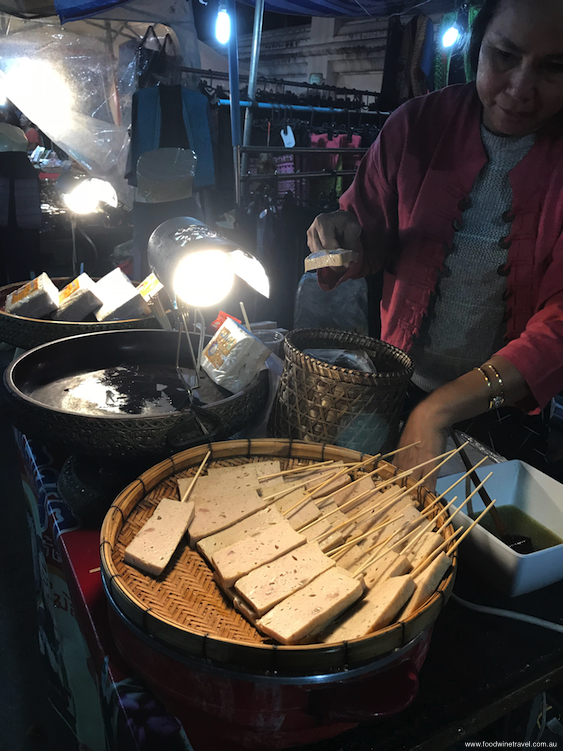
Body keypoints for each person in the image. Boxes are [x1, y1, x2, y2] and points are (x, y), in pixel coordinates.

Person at [306, 0, 563, 486]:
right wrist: (338, 234)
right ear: (476, 45)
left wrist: (438, 410)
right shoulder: (416, 126)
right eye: (505, 56)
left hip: (508, 409)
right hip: (399, 383)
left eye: (556, 67)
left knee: (479, 551)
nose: (520, 89)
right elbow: (369, 232)